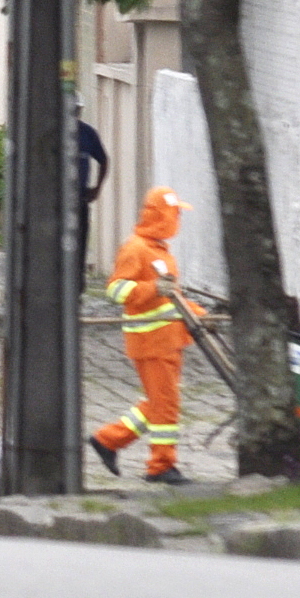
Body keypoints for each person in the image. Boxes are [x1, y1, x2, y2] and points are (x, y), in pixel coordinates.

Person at [88, 186, 202, 485]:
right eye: (175, 214)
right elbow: (115, 289)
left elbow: (171, 297)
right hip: (151, 343)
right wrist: (152, 289)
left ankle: (108, 440)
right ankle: (160, 465)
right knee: (164, 405)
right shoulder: (136, 249)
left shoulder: (158, 249)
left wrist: (200, 315)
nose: (178, 219)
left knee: (159, 401)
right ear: (162, 216)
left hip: (167, 341)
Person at [76, 94, 109, 295]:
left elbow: (103, 160)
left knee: (80, 241)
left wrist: (97, 187)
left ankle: (77, 282)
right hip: (55, 201)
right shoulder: (55, 132)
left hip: (80, 198)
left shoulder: (87, 134)